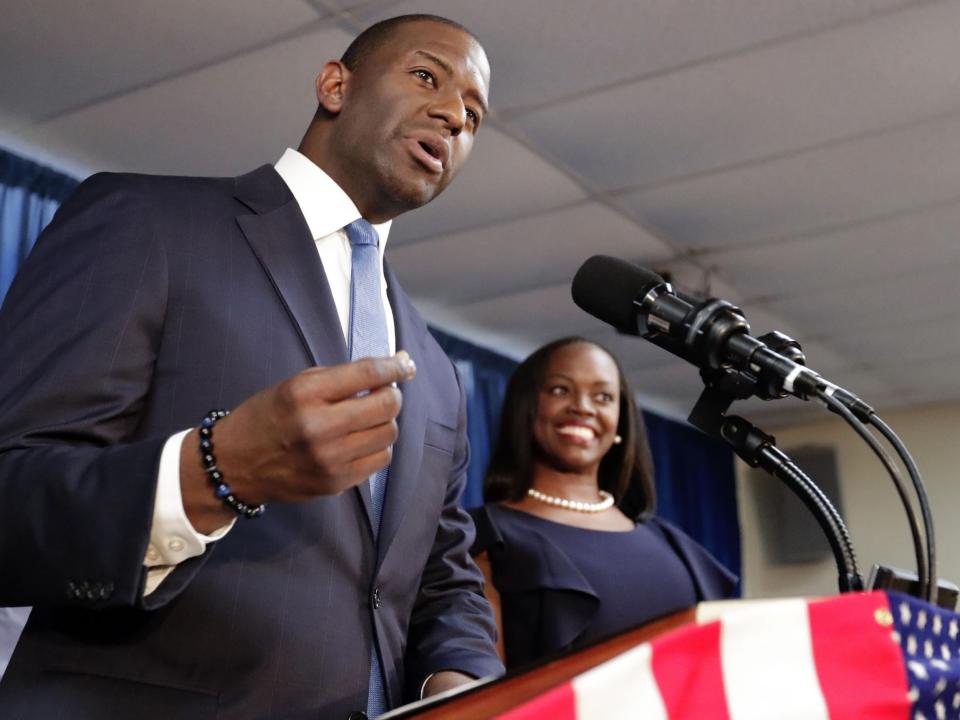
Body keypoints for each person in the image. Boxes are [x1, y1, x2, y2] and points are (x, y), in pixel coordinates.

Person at [0, 14, 503, 719]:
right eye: (427, 76)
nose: (453, 115)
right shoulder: (146, 222)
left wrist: (460, 678)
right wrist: (214, 471)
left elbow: (441, 574)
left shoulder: (440, 372)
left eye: (474, 116)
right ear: (335, 85)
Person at [470, 337, 737, 669]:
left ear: (620, 422)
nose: (583, 407)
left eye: (603, 397)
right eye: (559, 390)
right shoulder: (484, 536)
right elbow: (479, 690)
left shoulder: (674, 546)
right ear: (526, 408)